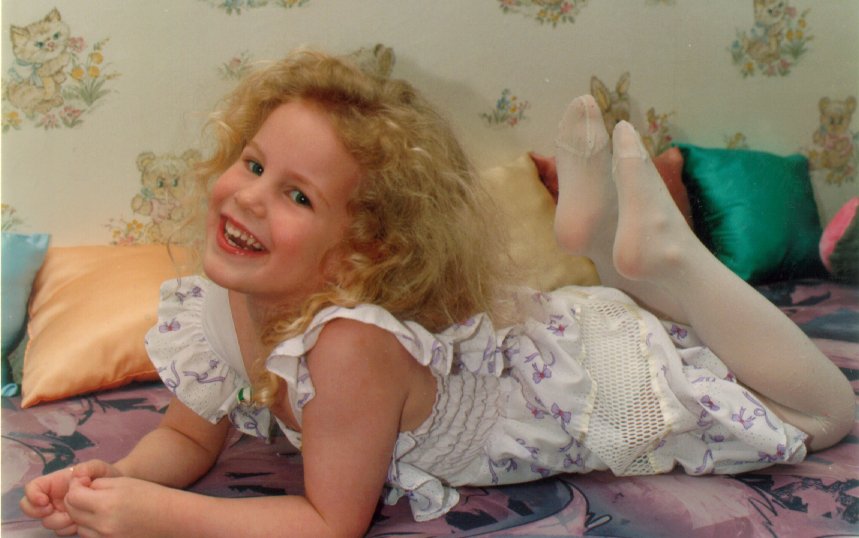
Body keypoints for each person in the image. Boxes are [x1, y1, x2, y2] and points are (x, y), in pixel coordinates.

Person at [21, 49, 854, 538]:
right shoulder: (215, 302)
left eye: (297, 195)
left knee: (824, 414)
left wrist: (157, 518)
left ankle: (671, 259)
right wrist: (114, 482)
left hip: (602, 384)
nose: (248, 197)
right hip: (552, 343)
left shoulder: (348, 345)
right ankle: (607, 247)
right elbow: (186, 434)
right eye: (253, 163)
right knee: (686, 333)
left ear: (365, 249)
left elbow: (328, 522)